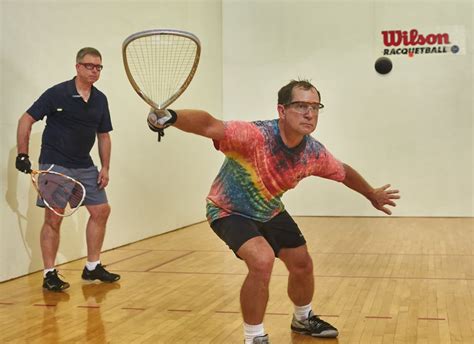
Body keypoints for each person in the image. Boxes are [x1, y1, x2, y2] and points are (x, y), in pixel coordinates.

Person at [147, 79, 400, 344]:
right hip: (228, 210)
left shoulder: (313, 152)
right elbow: (210, 125)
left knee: (302, 263)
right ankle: (254, 337)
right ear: (282, 110)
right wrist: (171, 117)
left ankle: (303, 319)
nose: (309, 113)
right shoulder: (255, 136)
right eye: (301, 105)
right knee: (262, 260)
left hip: (269, 209)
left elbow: (343, 172)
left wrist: (370, 193)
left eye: (315, 107)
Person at [16, 47, 120, 292]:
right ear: (77, 67)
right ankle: (49, 273)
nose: (95, 71)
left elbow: (103, 135)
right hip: (55, 164)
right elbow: (26, 119)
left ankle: (92, 266)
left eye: (99, 67)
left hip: (84, 165)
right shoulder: (57, 93)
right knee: (53, 218)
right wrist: (22, 153)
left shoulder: (100, 99)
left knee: (101, 211)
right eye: (89, 66)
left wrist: (105, 167)